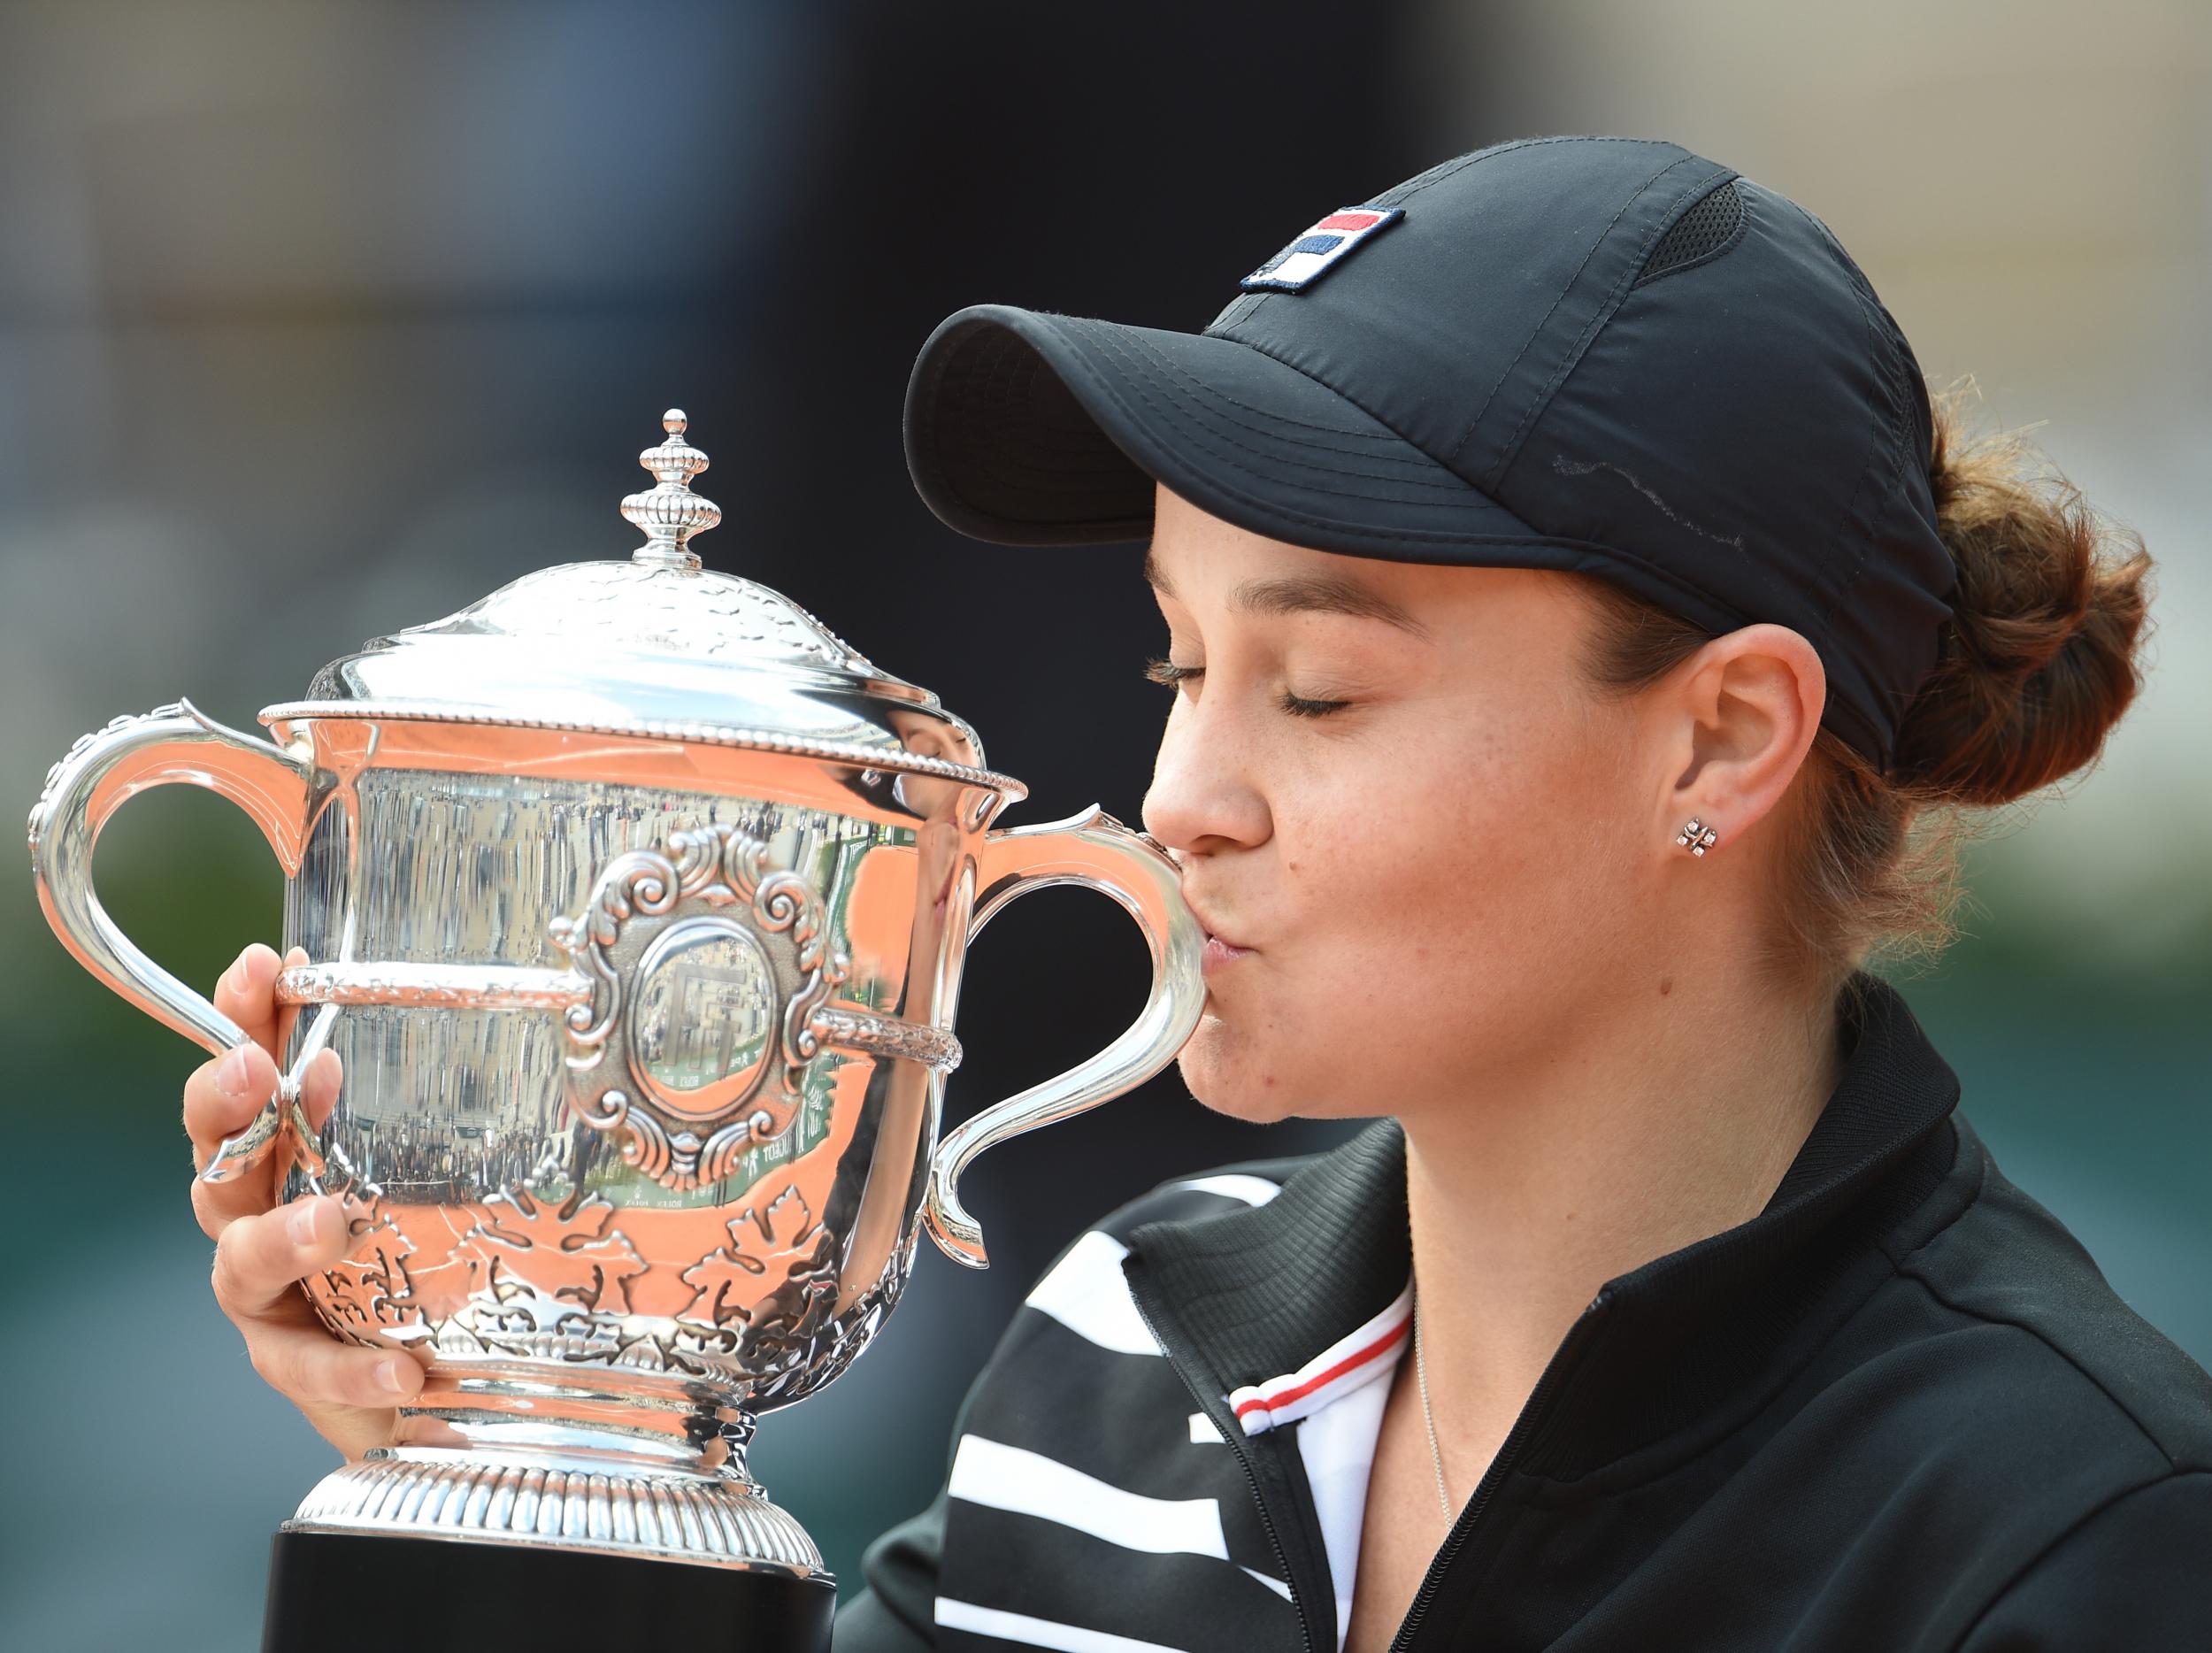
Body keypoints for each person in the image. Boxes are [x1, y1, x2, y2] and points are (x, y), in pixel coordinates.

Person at [184, 136, 2208, 1649]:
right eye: (1178, 662)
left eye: (1316, 687)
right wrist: (486, 1449)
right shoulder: (1124, 1347)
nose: (1179, 795)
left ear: (1718, 738)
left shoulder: (2062, 1529)